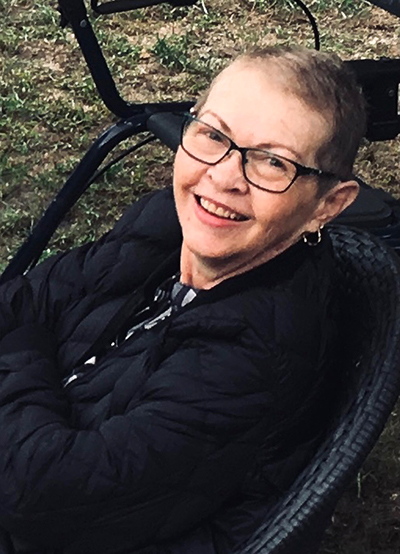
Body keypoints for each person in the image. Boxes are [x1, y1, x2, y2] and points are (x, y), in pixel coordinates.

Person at [0, 46, 366, 554]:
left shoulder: (259, 352)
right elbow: (21, 301)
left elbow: (43, 493)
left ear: (327, 204)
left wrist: (21, 351)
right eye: (213, 135)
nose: (222, 177)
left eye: (273, 162)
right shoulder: (167, 225)